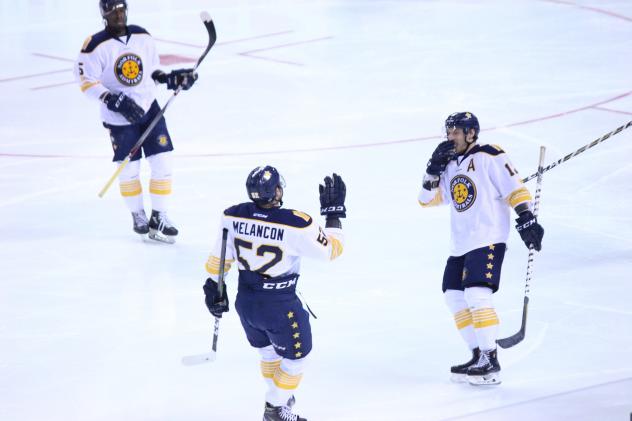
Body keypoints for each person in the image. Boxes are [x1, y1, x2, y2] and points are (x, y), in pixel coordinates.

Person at [202, 165, 346, 421]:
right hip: (279, 306)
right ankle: (275, 408)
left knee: (268, 352)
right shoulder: (297, 223)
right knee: (298, 359)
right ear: (277, 191)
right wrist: (334, 216)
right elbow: (332, 251)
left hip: (245, 302)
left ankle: (279, 398)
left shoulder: (232, 215)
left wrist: (213, 287)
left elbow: (219, 259)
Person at [417, 112, 544, 386]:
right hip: (461, 242)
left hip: (488, 237)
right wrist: (432, 170)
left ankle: (490, 359)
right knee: (453, 296)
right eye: (449, 131)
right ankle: (477, 355)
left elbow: (515, 189)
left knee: (476, 293)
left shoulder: (490, 154)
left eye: (456, 132)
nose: (450, 137)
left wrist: (525, 217)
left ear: (471, 133)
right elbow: (426, 200)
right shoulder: (450, 164)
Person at [74, 0, 198, 243]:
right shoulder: (95, 45)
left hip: (149, 108)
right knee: (129, 169)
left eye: (122, 10)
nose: (119, 15)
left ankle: (160, 215)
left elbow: (153, 71)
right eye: (113, 11)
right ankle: (138, 214)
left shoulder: (142, 36)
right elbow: (86, 81)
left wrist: (172, 78)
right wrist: (111, 99)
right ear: (104, 14)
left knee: (163, 162)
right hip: (119, 119)